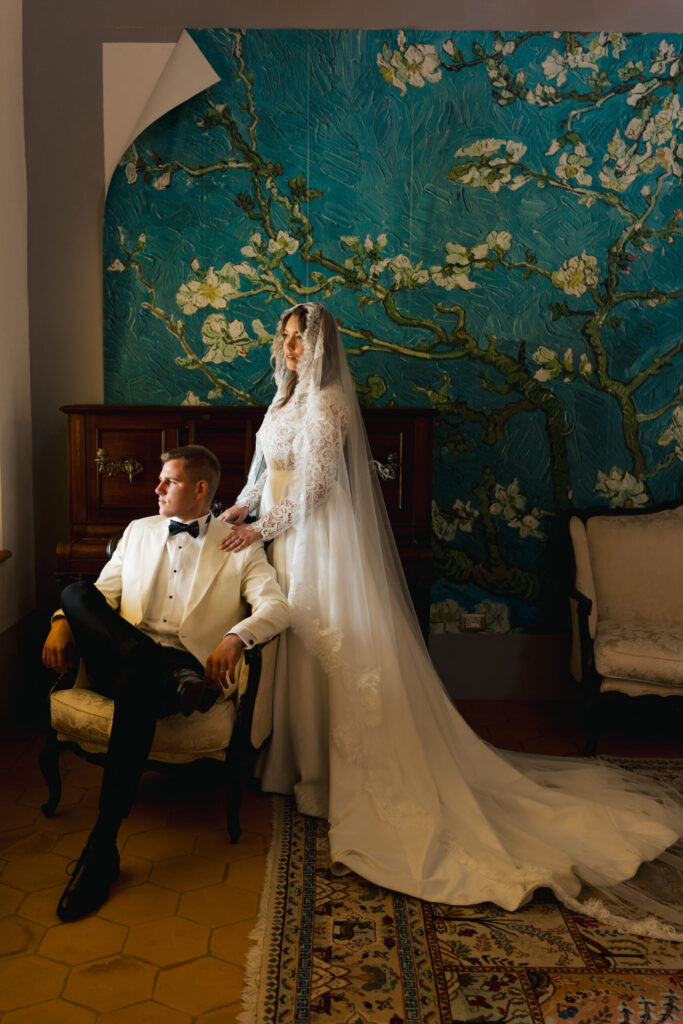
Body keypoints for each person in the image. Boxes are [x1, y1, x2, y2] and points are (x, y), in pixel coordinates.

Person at [218, 302, 683, 938]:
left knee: (332, 643)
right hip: (282, 541)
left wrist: (262, 528)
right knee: (296, 642)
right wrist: (234, 518)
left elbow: (317, 488)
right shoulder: (279, 403)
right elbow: (257, 479)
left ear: (322, 344)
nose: (292, 347)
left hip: (318, 543)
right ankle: (295, 761)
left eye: (301, 338)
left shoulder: (328, 405)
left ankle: (334, 772)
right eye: (287, 337)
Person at [42, 444, 290, 921]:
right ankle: (165, 669)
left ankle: (101, 850)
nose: (156, 489)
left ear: (200, 489)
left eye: (169, 481)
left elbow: (277, 607)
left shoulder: (239, 545)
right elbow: (97, 596)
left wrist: (236, 637)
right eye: (159, 479)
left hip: (176, 670)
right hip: (142, 662)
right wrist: (60, 621)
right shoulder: (138, 531)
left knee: (137, 683)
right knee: (74, 592)